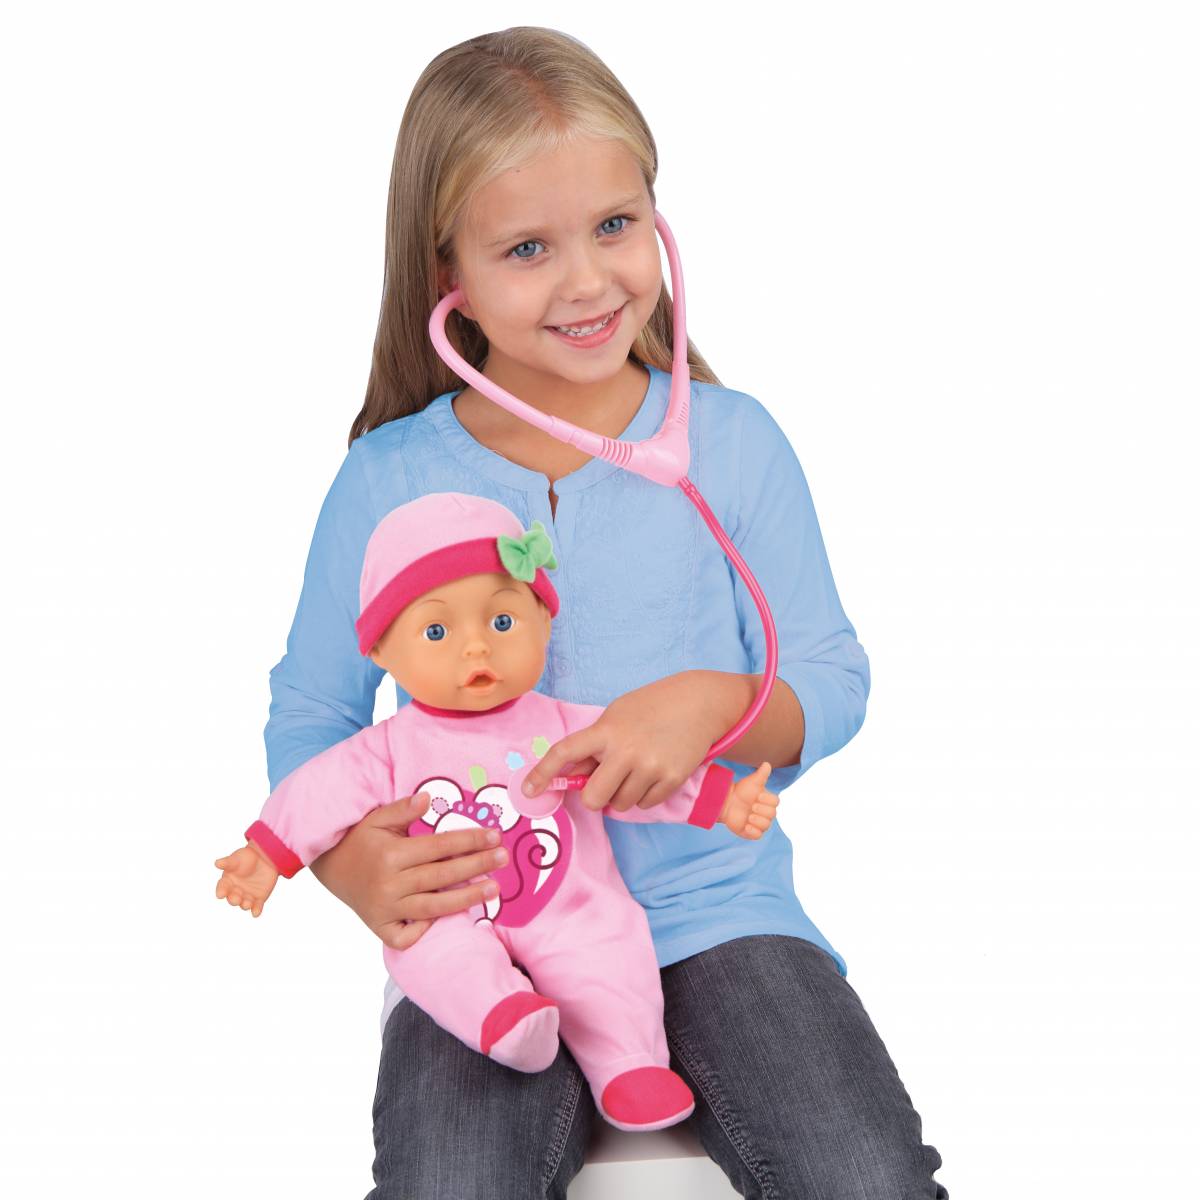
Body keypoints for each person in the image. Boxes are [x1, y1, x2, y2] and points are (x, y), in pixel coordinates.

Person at [263, 24, 948, 1199]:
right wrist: (350, 864)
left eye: (616, 225)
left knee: (866, 1178)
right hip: (488, 933)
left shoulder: (732, 444)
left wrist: (719, 703)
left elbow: (832, 678)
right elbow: (312, 715)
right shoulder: (388, 477)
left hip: (717, 914)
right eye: (528, 247)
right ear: (446, 273)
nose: (588, 282)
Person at [216, 491, 780, 1132]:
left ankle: (629, 1064)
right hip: (445, 908)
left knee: (606, 950)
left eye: (503, 621)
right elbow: (317, 793)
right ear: (381, 653)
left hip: (567, 904)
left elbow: (634, 769)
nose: (476, 649)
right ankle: (501, 1019)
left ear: (544, 621)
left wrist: (720, 799)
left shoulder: (567, 725)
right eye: (437, 632)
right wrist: (268, 854)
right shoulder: (386, 750)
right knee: (434, 955)